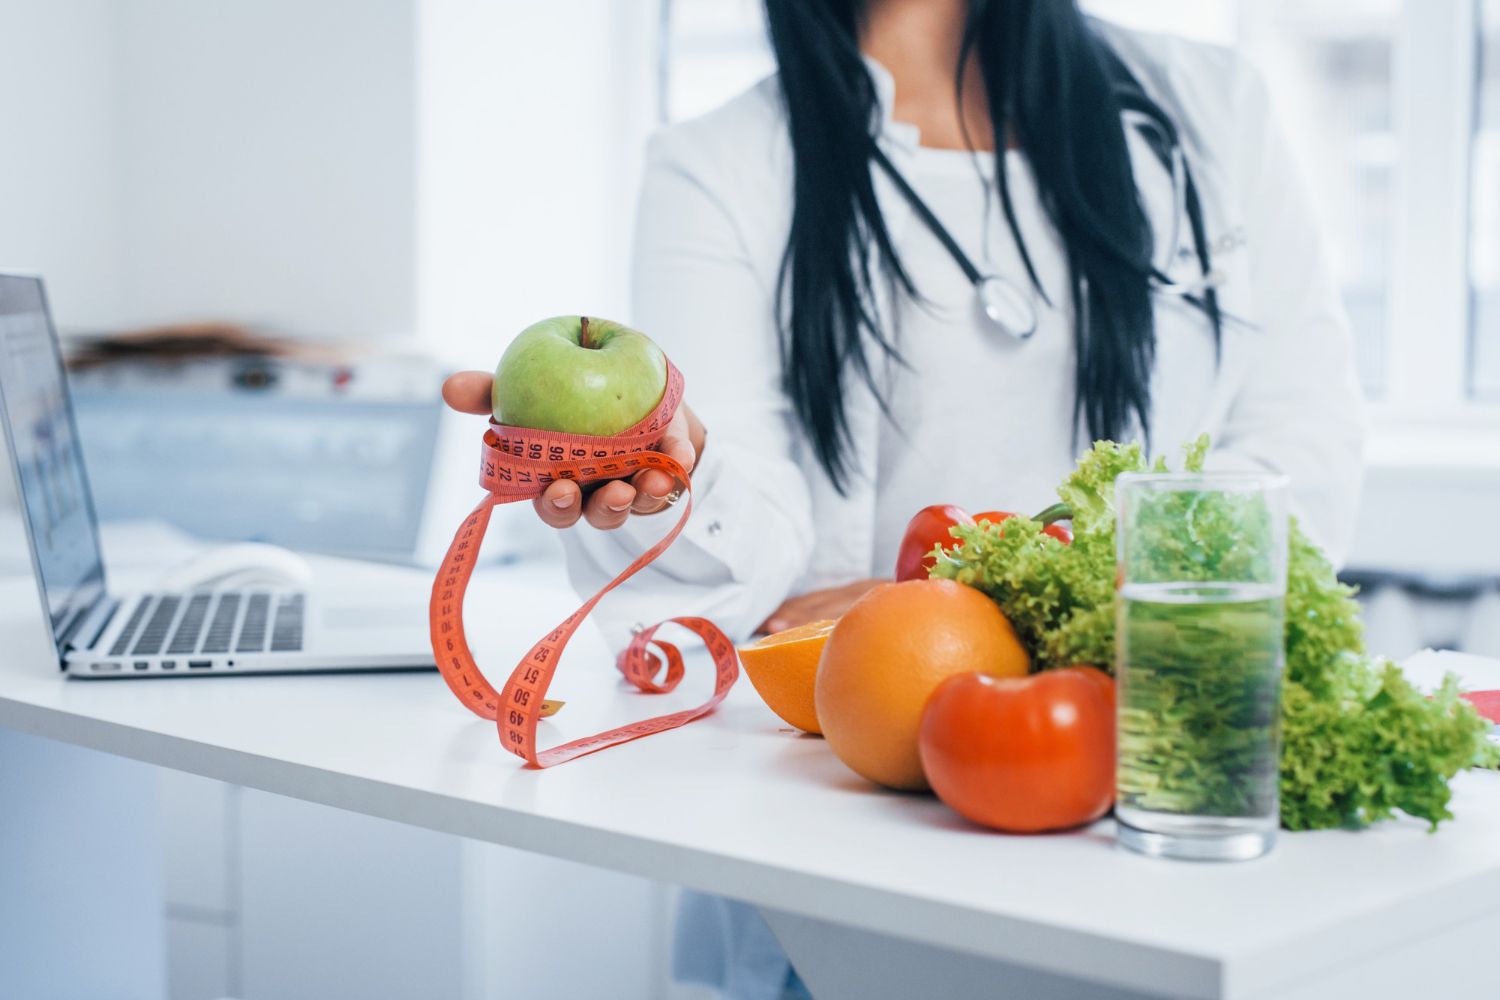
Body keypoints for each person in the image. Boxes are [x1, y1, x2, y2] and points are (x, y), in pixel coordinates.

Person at [443, 1, 1364, 996]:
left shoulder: (1211, 108)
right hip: (854, 850)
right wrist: (670, 475)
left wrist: (1087, 632)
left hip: (1138, 816)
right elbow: (746, 541)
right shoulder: (719, 165)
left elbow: (1299, 447)